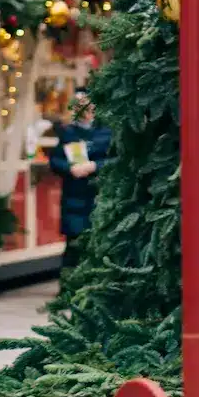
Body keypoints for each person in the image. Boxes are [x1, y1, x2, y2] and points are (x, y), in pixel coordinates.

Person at [46, 89, 111, 269]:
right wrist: (70, 168)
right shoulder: (67, 133)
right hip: (74, 198)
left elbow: (119, 160)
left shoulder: (108, 131)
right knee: (74, 248)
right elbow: (55, 160)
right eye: (78, 105)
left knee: (101, 247)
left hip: (102, 198)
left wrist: (95, 166)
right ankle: (69, 291)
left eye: (87, 105)